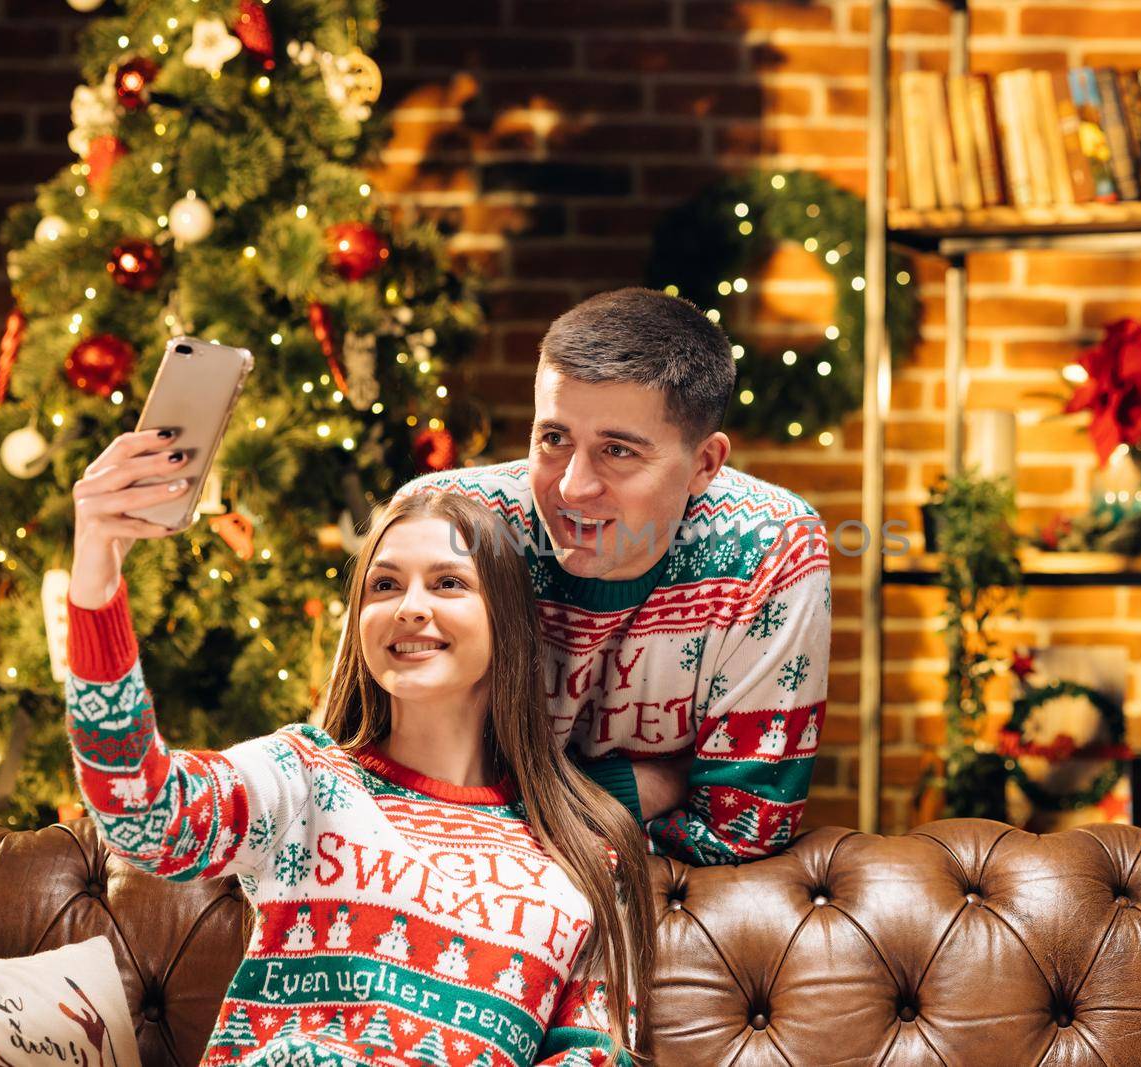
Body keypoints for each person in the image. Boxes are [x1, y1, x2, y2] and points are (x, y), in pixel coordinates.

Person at [64, 430, 654, 1066]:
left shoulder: (585, 856)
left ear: (505, 621)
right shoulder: (303, 779)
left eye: (449, 583)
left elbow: (595, 1056)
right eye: (384, 586)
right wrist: (97, 564)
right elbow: (146, 816)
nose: (409, 608)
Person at [399, 287, 833, 866]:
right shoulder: (445, 523)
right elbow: (392, 789)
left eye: (619, 451)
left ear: (705, 463)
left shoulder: (773, 546)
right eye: (553, 439)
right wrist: (660, 783)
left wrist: (506, 803)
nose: (574, 487)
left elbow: (744, 827)